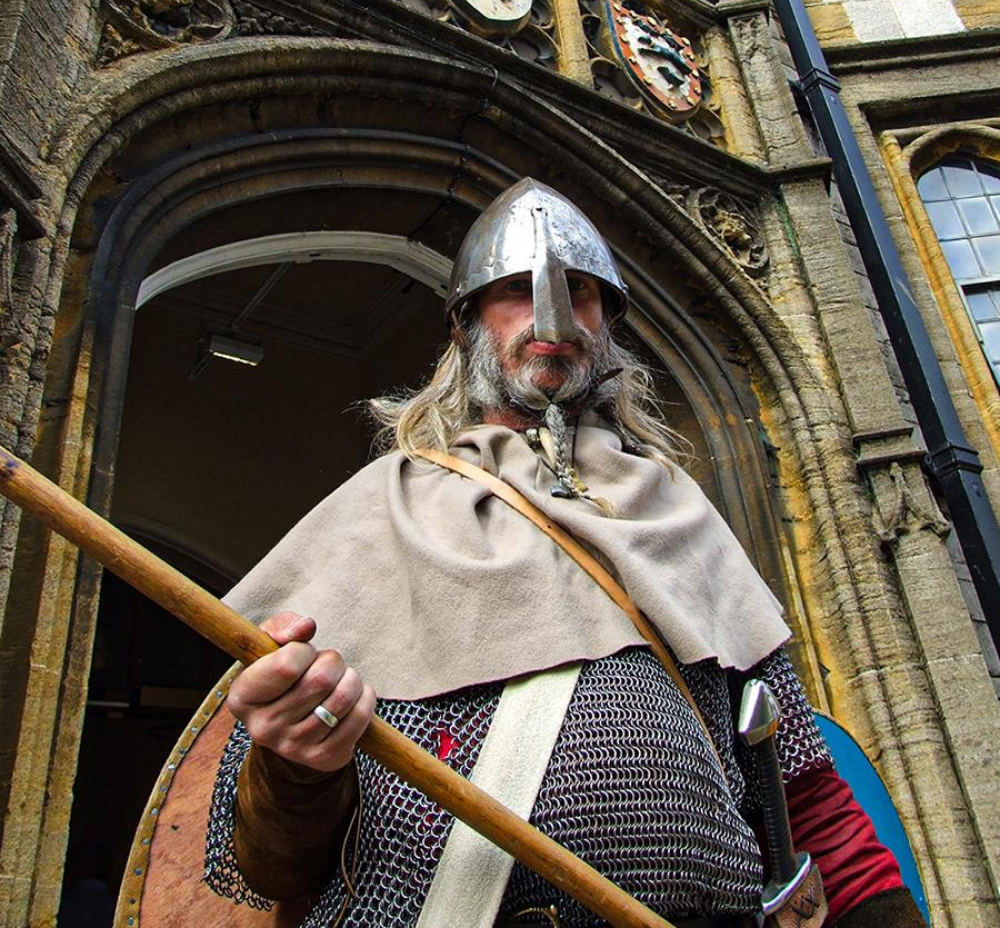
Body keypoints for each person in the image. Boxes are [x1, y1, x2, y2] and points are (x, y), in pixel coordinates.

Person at [206, 178, 924, 927]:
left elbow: (805, 792)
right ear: (466, 324)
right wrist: (295, 767)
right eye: (516, 289)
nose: (552, 314)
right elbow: (271, 860)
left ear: (607, 324)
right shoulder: (377, 510)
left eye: (579, 292)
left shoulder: (675, 509)